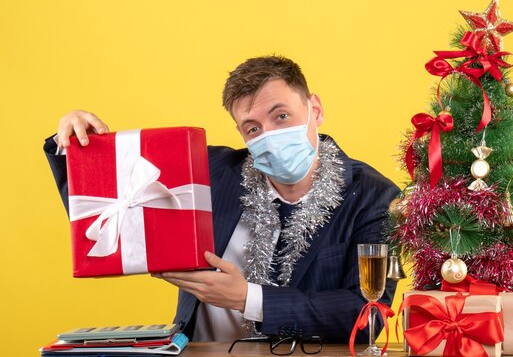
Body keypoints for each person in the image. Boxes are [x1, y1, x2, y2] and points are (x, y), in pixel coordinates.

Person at [44, 55, 399, 343]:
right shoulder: (209, 171)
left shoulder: (374, 197)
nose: (269, 135)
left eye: (281, 116)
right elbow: (109, 200)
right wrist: (75, 142)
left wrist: (249, 299)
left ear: (315, 110)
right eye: (253, 128)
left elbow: (367, 316)